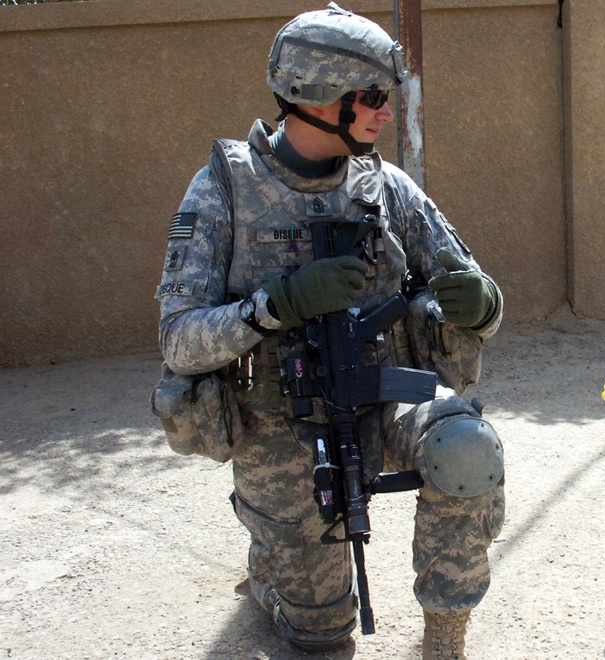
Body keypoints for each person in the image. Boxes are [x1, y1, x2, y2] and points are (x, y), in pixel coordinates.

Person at [153, 5, 505, 657]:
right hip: (280, 431)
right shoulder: (224, 191)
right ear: (317, 96)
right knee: (321, 635)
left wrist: (480, 304)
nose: (386, 113)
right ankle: (273, 573)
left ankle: (445, 638)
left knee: (467, 448)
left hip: (385, 403)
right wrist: (274, 306)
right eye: (371, 97)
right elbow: (179, 340)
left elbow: (473, 287)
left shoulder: (387, 188)